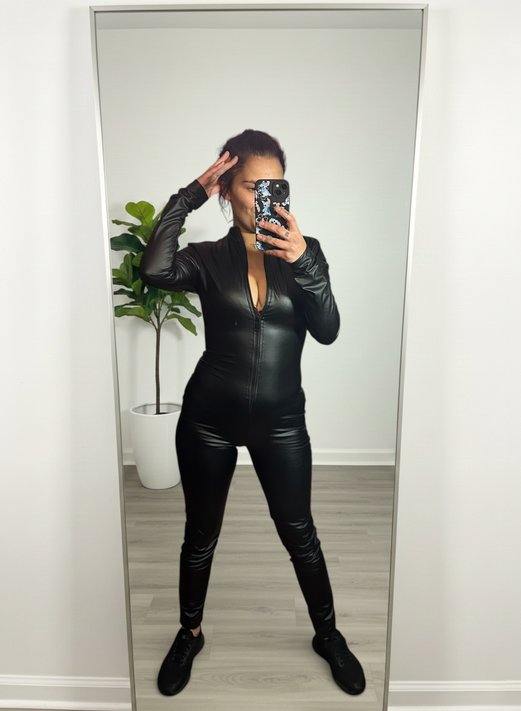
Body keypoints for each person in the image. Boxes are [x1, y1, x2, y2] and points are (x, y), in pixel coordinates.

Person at [139, 129, 365, 697]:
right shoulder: (206, 258)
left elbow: (329, 330)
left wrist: (304, 261)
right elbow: (153, 271)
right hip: (207, 420)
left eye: (275, 186)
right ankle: (189, 634)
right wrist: (190, 193)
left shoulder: (305, 250)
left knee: (300, 533)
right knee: (199, 536)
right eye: (250, 186)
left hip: (281, 421)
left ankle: (328, 635)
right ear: (227, 191)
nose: (265, 196)